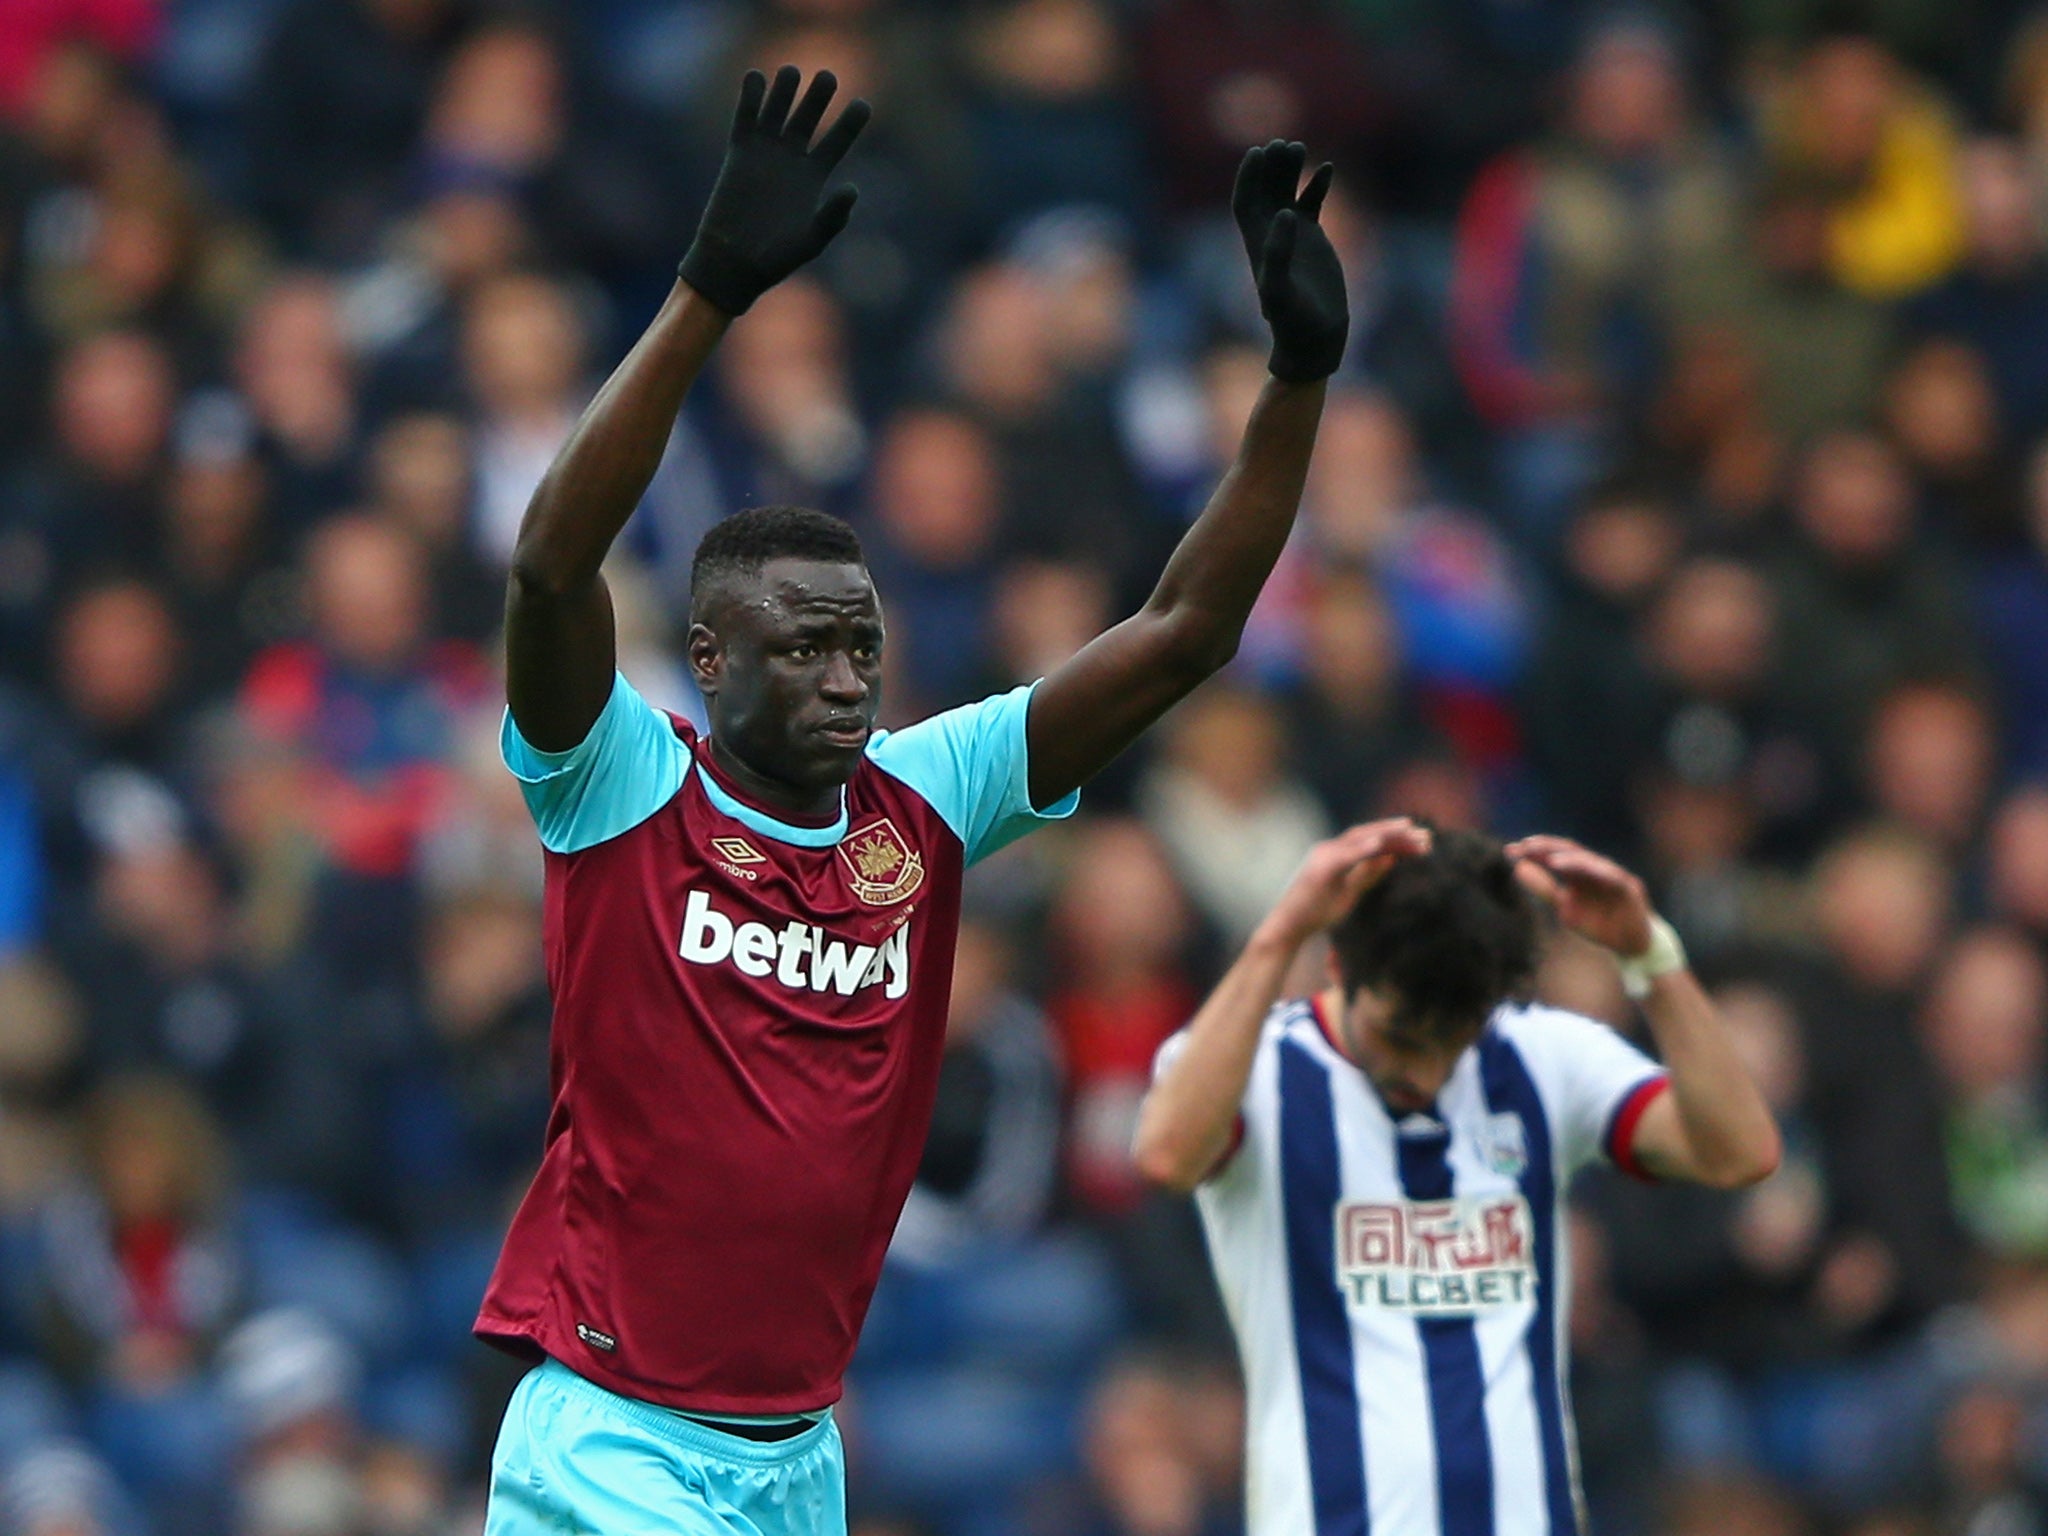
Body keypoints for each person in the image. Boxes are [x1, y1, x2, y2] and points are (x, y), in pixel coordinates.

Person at [477, 65, 1352, 1536]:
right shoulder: (622, 783)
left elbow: (1186, 629)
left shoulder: (926, 799)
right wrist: (706, 294)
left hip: (797, 1452)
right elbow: (551, 568)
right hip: (611, 1443)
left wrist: (1298, 384)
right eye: (803, 646)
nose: (845, 675)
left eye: (863, 644)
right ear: (708, 661)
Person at [1133, 821, 1781, 1536]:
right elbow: (1167, 1155)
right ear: (1340, 968)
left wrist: (1649, 958)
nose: (1425, 1072)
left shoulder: (1542, 1056)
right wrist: (1279, 934)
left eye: (1453, 1039)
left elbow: (1739, 1151)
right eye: (1402, 1035)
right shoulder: (1253, 1069)